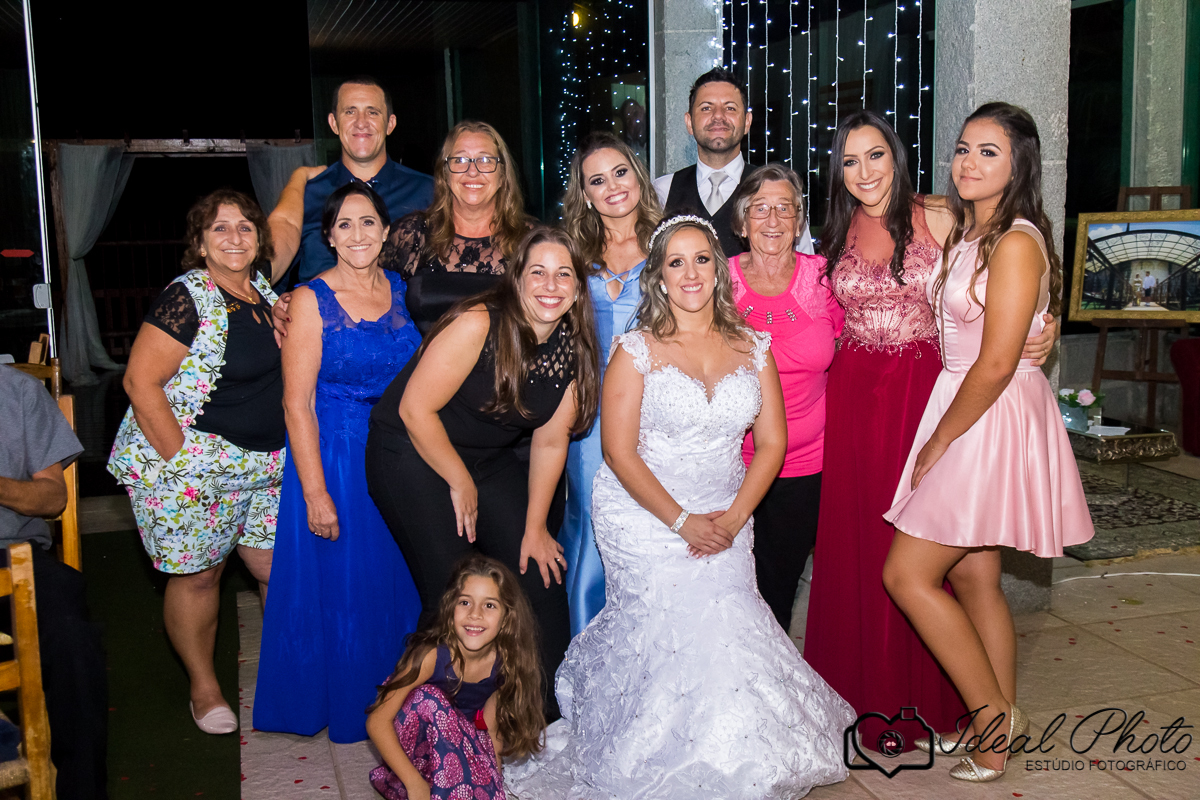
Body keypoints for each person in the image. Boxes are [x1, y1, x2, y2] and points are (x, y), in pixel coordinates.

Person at [505, 216, 854, 799]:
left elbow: (772, 444)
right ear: (659, 278)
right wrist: (682, 522)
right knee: (683, 623)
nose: (690, 273)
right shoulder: (635, 350)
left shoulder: (754, 346)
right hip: (644, 514)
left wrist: (735, 518)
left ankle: (736, 750)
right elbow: (617, 452)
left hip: (727, 511)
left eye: (701, 259)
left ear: (718, 270)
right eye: (675, 262)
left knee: (729, 623)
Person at [803, 110, 1058, 753]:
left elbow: (1007, 280)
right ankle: (888, 696)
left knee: (961, 570)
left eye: (876, 155)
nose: (864, 172)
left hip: (929, 396)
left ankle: (980, 714)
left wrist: (1042, 329)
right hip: (857, 398)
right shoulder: (832, 228)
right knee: (870, 549)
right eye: (850, 161)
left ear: (897, 156)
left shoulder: (944, 214)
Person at [881, 102, 1094, 782]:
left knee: (906, 575)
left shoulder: (1017, 241)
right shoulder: (972, 227)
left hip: (985, 410)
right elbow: (900, 195)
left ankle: (995, 722)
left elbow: (999, 360)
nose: (968, 162)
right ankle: (993, 727)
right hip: (967, 398)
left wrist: (939, 441)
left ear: (1020, 164)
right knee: (975, 576)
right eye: (963, 148)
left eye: (988, 152)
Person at [366, 226, 600, 720]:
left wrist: (535, 528)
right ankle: (420, 724)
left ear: (579, 288)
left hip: (486, 458)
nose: (551, 285)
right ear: (517, 279)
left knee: (540, 574)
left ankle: (542, 719)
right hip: (410, 449)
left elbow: (550, 441)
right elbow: (414, 410)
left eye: (564, 274)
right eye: (538, 272)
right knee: (453, 590)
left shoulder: (573, 348)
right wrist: (460, 480)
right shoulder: (479, 322)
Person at [254, 183, 424, 743]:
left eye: (368, 222)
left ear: (386, 230)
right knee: (347, 585)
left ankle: (401, 700)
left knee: (396, 577)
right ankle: (350, 702)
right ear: (328, 236)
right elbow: (296, 404)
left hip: (398, 452)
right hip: (337, 458)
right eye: (344, 225)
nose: (357, 235)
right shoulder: (309, 301)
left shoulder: (403, 290)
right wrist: (315, 493)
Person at [110, 190, 284, 734]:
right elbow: (140, 382)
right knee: (201, 576)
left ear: (259, 239)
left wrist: (302, 182)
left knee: (276, 569)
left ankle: (286, 675)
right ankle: (204, 688)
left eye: (245, 227)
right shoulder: (186, 296)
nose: (234, 237)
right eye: (219, 228)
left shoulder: (261, 290)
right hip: (192, 466)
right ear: (200, 243)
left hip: (265, 467)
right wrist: (184, 463)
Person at [726, 164, 843, 631]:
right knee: (728, 586)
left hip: (804, 466)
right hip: (730, 464)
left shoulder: (825, 279)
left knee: (777, 589)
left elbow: (880, 326)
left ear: (799, 222)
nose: (772, 220)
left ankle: (766, 672)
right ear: (741, 222)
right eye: (759, 209)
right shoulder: (717, 281)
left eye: (784, 209)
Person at [559, 131, 660, 635]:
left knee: (649, 527)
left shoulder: (669, 243)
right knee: (590, 523)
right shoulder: (572, 252)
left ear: (637, 176)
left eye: (620, 172)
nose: (613, 186)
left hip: (655, 411)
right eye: (597, 180)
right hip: (588, 412)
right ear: (585, 193)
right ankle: (585, 651)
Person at [1, 366, 108, 799]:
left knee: (68, 628)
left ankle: (82, 791)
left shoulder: (17, 391)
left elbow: (52, 497)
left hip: (11, 553)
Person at [365, 555, 544, 800]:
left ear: (507, 618)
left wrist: (495, 779)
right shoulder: (431, 656)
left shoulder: (505, 662)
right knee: (429, 699)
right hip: (411, 757)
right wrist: (414, 783)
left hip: (455, 752)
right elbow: (377, 721)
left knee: (485, 775)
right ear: (451, 609)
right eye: (465, 602)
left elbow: (491, 729)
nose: (475, 614)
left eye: (489, 605)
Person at [267, 76, 434, 283]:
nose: (361, 122)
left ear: (390, 124)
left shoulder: (429, 193)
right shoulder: (308, 195)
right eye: (350, 112)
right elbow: (265, 280)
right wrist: (284, 301)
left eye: (372, 112)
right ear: (333, 123)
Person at [378, 120, 532, 334]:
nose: (472, 171)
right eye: (460, 160)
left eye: (485, 160)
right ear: (445, 173)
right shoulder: (411, 235)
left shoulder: (530, 240)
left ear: (502, 175)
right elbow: (372, 302)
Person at [651, 67, 814, 257]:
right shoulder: (662, 191)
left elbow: (804, 265)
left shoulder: (779, 192)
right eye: (706, 108)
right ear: (689, 122)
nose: (718, 116)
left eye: (730, 108)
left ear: (747, 121)